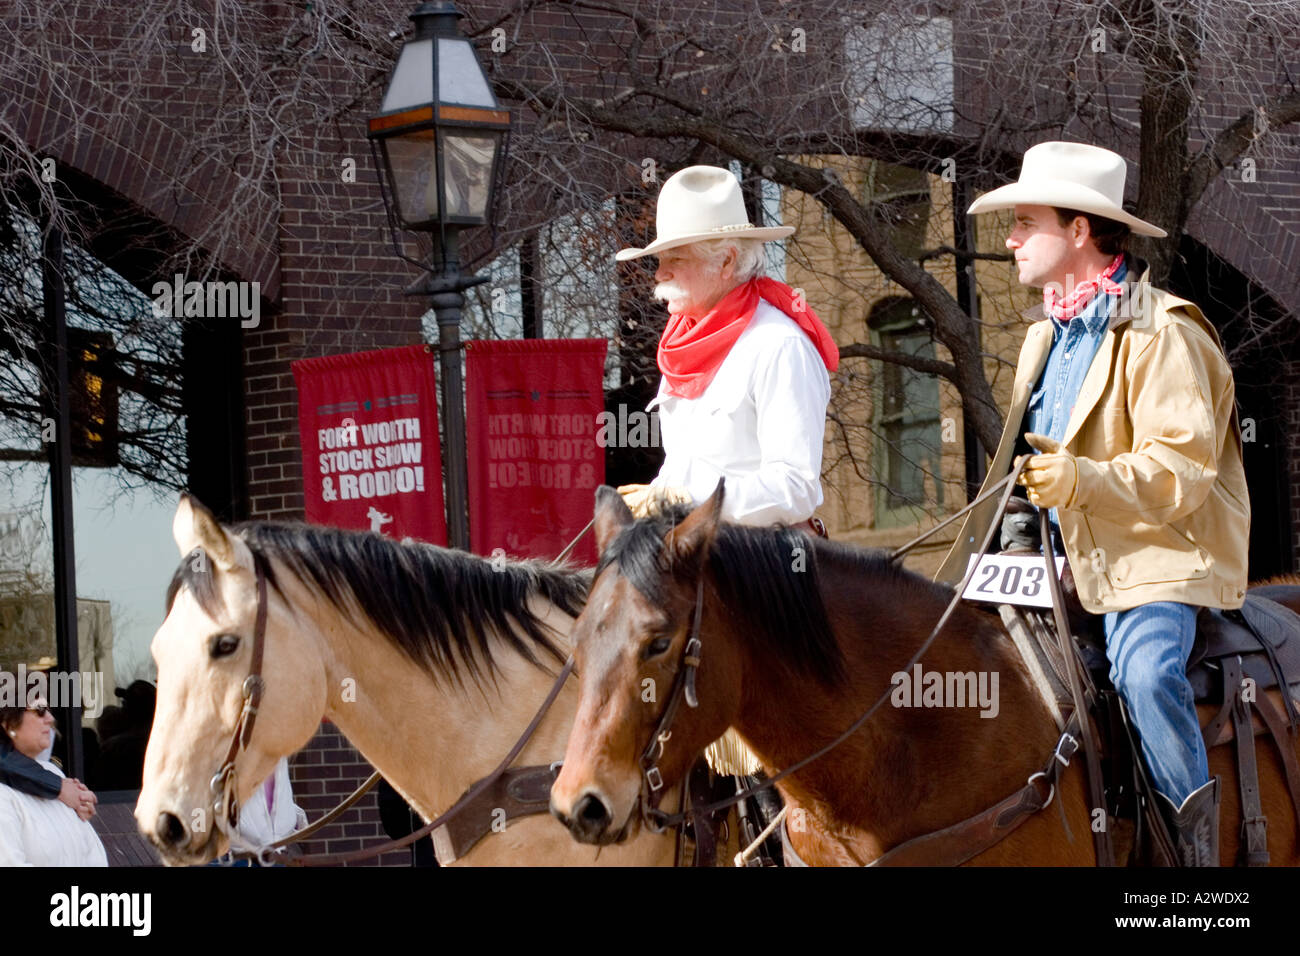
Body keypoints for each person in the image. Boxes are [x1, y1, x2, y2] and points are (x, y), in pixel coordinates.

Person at [937, 141, 1250, 866]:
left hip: (1152, 561)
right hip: (1050, 561)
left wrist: (1081, 482)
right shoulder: (1045, 335)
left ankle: (1194, 864)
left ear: (1080, 230)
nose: (1010, 238)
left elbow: (1183, 470)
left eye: (1025, 222)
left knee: (1144, 674)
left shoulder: (1161, 328)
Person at [615, 164, 838, 531]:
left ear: (727, 260)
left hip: (761, 569)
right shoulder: (682, 347)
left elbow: (796, 489)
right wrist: (650, 500)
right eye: (660, 261)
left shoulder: (779, 346)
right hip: (695, 563)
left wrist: (681, 500)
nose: (659, 274)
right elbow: (687, 470)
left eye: (676, 259)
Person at [0, 700, 107, 866]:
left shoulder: (54, 772)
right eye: (40, 710)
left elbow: (92, 853)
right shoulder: (3, 795)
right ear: (8, 724)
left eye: (49, 710)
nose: (50, 718)